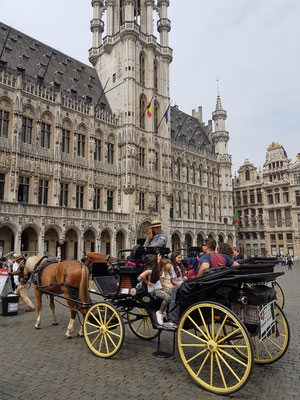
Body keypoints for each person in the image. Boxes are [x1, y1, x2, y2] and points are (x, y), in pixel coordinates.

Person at [139, 254, 171, 325]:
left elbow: (158, 262)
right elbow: (142, 275)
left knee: (173, 292)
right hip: (154, 290)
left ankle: (167, 311)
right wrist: (147, 282)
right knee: (168, 298)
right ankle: (160, 312)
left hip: (160, 287)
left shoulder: (155, 268)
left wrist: (159, 258)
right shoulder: (150, 270)